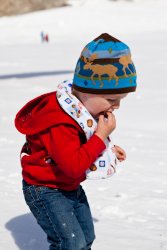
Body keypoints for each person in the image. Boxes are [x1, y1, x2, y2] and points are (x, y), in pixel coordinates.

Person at [15, 33, 137, 250]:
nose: (116, 106)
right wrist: (100, 137)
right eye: (111, 99)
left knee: (86, 237)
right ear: (88, 91)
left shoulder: (80, 109)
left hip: (67, 185)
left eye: (121, 100)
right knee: (70, 242)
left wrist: (107, 149)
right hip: (45, 189)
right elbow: (73, 165)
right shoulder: (60, 121)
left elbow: (84, 140)